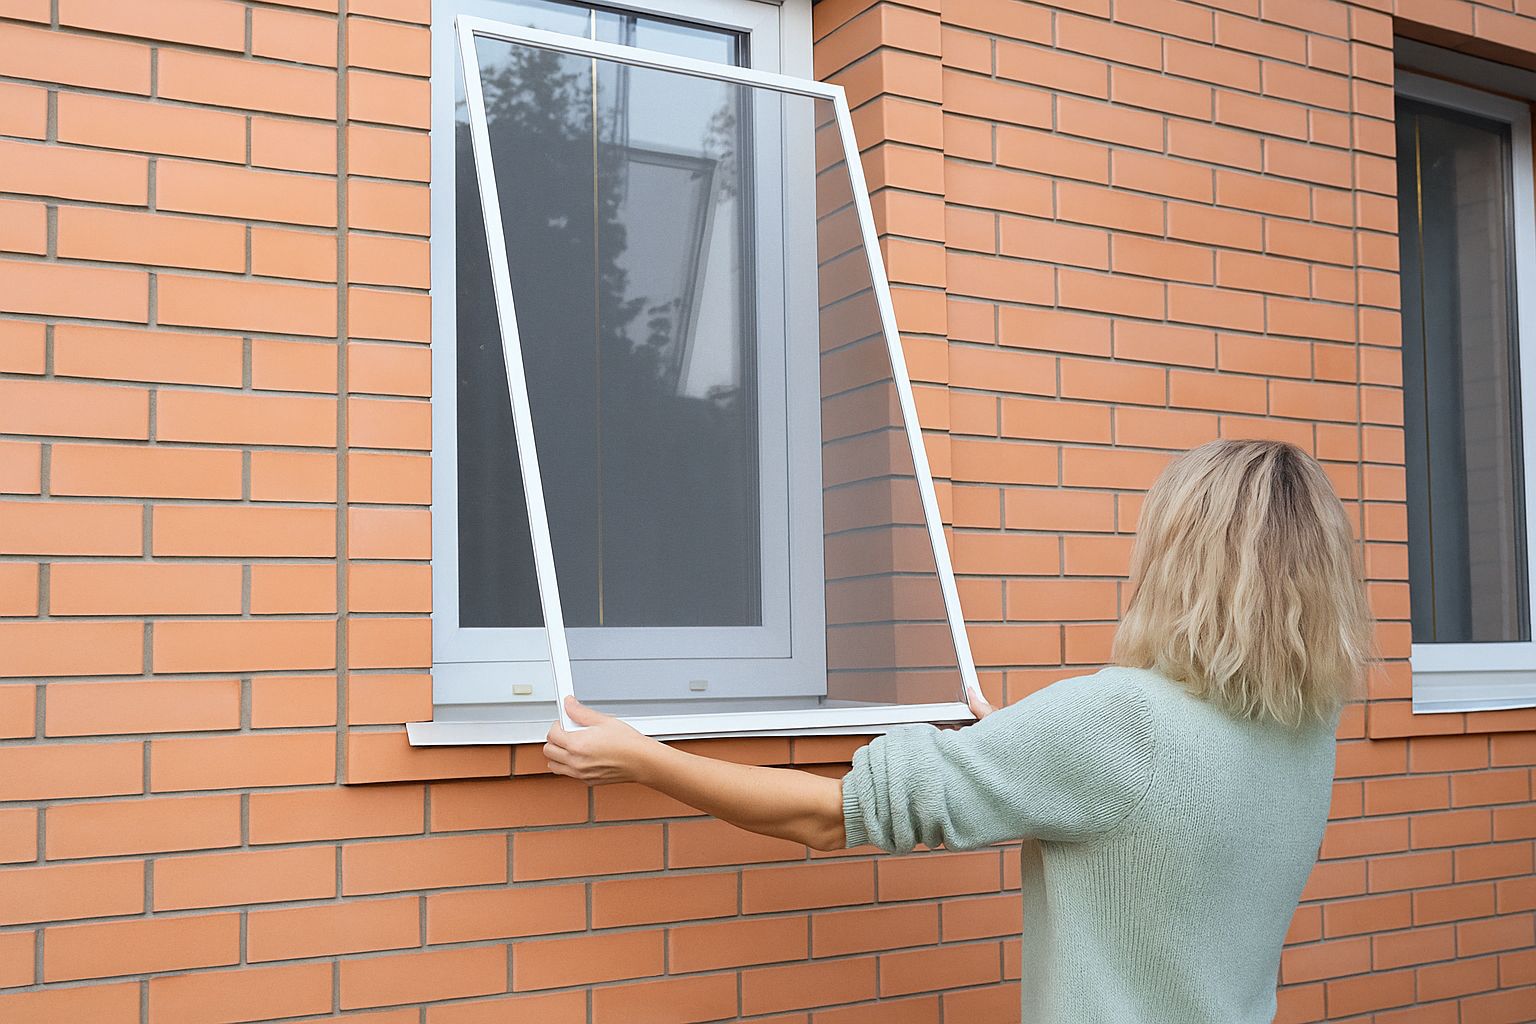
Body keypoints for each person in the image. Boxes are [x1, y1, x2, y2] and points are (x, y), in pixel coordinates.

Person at [543, 438, 1375, 1024]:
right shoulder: (1307, 727)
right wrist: (1025, 747)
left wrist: (642, 758)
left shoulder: (1121, 724)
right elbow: (1166, 831)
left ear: (1182, 562)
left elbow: (828, 817)